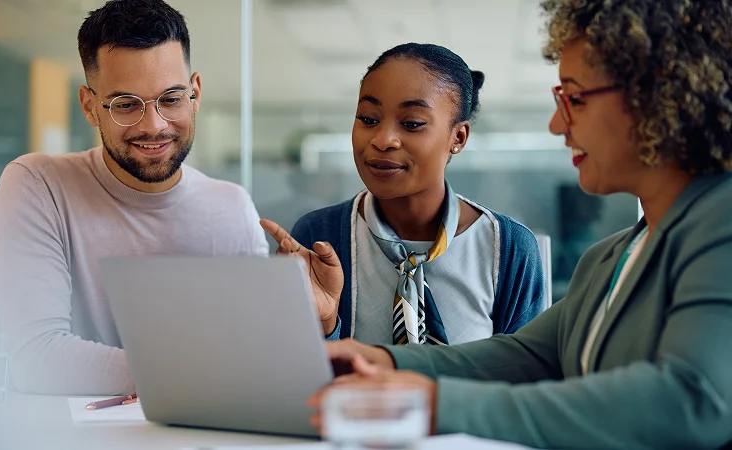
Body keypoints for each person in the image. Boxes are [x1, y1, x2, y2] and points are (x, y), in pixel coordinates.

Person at [306, 1, 732, 448]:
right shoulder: (608, 260)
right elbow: (529, 356)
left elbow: (692, 399)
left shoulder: (720, 223)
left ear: (658, 98)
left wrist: (435, 405)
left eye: (576, 98)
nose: (556, 124)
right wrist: (379, 361)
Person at [0, 0, 268, 395]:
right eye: (125, 105)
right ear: (90, 106)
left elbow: (259, 356)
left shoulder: (233, 207)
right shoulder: (39, 185)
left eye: (171, 99)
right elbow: (36, 358)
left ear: (196, 93)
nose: (154, 126)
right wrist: (205, 373)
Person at [262, 44, 546, 344]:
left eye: (412, 123)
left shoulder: (509, 248)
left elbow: (523, 375)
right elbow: (298, 380)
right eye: (368, 119)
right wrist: (325, 323)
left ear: (458, 137)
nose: (382, 140)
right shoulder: (320, 235)